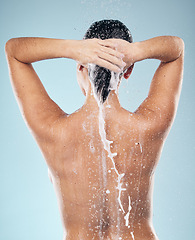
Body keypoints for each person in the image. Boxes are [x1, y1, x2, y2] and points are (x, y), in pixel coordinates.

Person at [5, 20, 184, 240]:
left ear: (81, 65)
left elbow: (14, 50)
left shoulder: (52, 129)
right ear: (127, 72)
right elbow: (176, 50)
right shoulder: (149, 125)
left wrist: (73, 49)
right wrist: (135, 52)